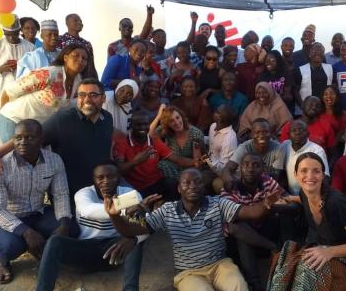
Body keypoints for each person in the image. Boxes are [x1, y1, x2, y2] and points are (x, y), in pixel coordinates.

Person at [105, 167, 281, 291]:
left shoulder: (218, 204)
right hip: (189, 273)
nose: (192, 186)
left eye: (197, 182)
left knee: (239, 286)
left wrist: (265, 204)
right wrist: (114, 216)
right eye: (186, 183)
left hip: (220, 265)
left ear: (203, 187)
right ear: (179, 188)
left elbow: (249, 212)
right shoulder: (168, 210)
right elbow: (133, 230)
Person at [0, 79, 113, 208]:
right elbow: (29, 137)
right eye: (82, 95)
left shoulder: (107, 118)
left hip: (101, 188)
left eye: (93, 95)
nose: (87, 99)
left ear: (103, 98)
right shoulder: (63, 120)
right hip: (69, 195)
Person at [267, 152, 346, 290]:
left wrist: (329, 251)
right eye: (304, 171)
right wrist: (288, 199)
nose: (310, 176)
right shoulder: (305, 193)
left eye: (316, 171)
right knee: (287, 254)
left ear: (323, 175)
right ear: (295, 174)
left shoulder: (337, 203)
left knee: (307, 268)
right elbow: (302, 199)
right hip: (326, 250)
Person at [36, 162, 147, 291]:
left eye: (111, 176)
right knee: (55, 241)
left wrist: (131, 238)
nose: (106, 181)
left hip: (114, 251)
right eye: (100, 177)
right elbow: (88, 210)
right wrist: (123, 210)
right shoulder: (83, 194)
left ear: (119, 177)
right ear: (93, 179)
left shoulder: (130, 194)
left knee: (133, 241)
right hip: (84, 250)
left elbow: (144, 226)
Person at [0, 119, 74, 284]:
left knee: (70, 228)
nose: (22, 142)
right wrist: (26, 231)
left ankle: (37, 244)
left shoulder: (54, 160)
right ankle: (2, 260)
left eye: (29, 137)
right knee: (12, 246)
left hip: (38, 212)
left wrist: (64, 222)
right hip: (6, 218)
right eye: (18, 137)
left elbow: (60, 194)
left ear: (41, 139)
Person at [0, 44, 89, 143]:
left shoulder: (78, 81)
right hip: (13, 119)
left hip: (34, 128)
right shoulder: (49, 73)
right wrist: (1, 114)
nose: (80, 60)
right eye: (76, 55)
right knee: (13, 156)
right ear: (65, 58)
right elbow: (9, 91)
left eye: (84, 58)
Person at [221, 153, 286, 291]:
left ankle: (288, 257)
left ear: (263, 169)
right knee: (239, 226)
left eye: (256, 165)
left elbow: (288, 200)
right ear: (240, 169)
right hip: (240, 245)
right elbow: (231, 227)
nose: (250, 169)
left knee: (283, 214)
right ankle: (254, 281)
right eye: (246, 165)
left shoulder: (268, 181)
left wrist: (274, 205)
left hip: (262, 234)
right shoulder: (231, 188)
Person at [114, 110, 196, 199]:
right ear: (131, 125)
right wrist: (136, 161)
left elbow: (178, 159)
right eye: (138, 124)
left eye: (146, 124)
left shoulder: (155, 141)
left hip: (154, 184)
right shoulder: (122, 143)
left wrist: (197, 162)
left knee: (172, 183)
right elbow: (119, 170)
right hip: (133, 188)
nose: (143, 127)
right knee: (126, 200)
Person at [0, 15, 35, 150]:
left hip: (23, 98)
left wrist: (22, 67)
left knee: (24, 131)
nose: (11, 38)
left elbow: (36, 72)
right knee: (0, 133)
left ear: (19, 30)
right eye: (8, 34)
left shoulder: (30, 47)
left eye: (14, 34)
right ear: (3, 32)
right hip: (1, 97)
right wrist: (0, 70)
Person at [222, 118, 285, 190]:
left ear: (271, 133)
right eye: (257, 132)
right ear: (252, 134)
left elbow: (276, 176)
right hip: (241, 183)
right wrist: (230, 182)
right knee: (219, 184)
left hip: (265, 185)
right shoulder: (244, 147)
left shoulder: (279, 148)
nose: (262, 135)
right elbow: (227, 169)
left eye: (266, 132)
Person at [151, 105, 204, 181]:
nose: (176, 122)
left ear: (182, 117)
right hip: (174, 167)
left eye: (177, 117)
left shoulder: (195, 134)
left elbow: (197, 162)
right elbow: (150, 135)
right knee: (161, 165)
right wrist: (158, 116)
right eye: (171, 121)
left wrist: (185, 178)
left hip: (191, 169)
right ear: (167, 124)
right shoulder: (168, 131)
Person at [281, 119, 329, 195]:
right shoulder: (285, 145)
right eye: (294, 130)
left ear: (308, 134)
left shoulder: (317, 150)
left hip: (311, 196)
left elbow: (325, 177)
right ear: (289, 134)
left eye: (301, 130)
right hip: (290, 195)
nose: (298, 133)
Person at [294, 42, 333, 110]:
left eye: (321, 51)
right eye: (315, 50)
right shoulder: (300, 69)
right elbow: (295, 91)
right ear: (309, 54)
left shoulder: (330, 68)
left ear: (323, 55)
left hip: (324, 107)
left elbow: (333, 86)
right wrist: (302, 105)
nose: (318, 53)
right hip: (307, 108)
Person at [58, 13, 97, 79]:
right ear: (67, 23)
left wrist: (95, 80)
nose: (79, 23)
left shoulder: (87, 43)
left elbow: (91, 65)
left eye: (81, 21)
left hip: (83, 79)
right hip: (64, 77)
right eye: (75, 21)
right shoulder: (60, 40)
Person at [205, 104, 238, 176]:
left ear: (220, 118)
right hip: (208, 164)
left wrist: (207, 159)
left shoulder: (229, 138)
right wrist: (201, 138)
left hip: (220, 173)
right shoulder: (213, 126)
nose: (214, 112)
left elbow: (223, 168)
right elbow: (212, 141)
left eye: (217, 112)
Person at [319, 85, 346, 154]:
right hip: (319, 146)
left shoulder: (343, 114)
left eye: (332, 93)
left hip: (335, 148)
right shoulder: (317, 113)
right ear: (322, 97)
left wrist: (332, 147)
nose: (329, 96)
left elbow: (341, 132)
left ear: (337, 96)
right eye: (325, 94)